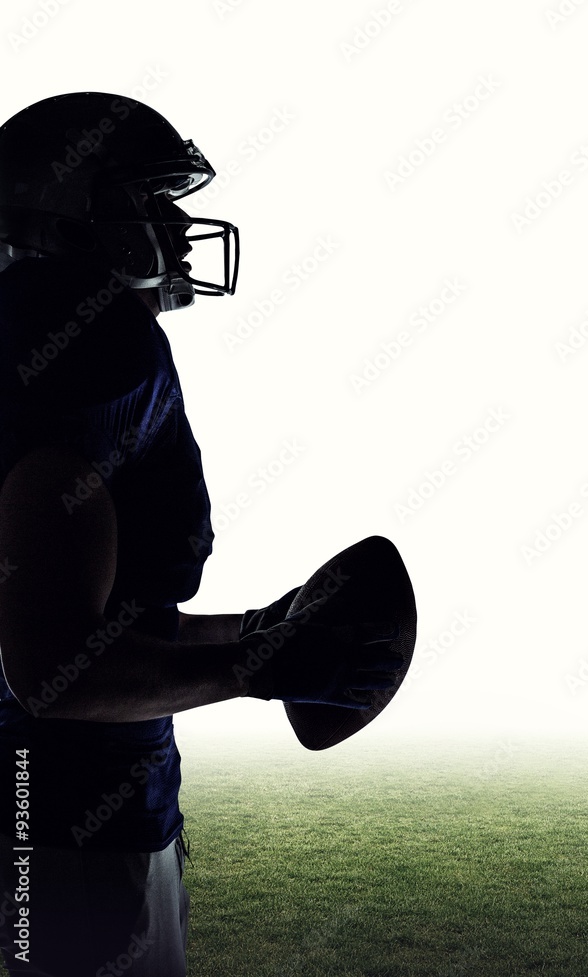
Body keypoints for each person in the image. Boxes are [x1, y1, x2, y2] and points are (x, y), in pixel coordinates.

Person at [0, 92, 407, 976]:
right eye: (149, 201)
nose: (180, 228)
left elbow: (82, 615)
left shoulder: (31, 334)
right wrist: (255, 669)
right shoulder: (90, 342)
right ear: (69, 213)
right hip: (75, 827)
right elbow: (47, 670)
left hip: (59, 814)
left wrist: (256, 626)